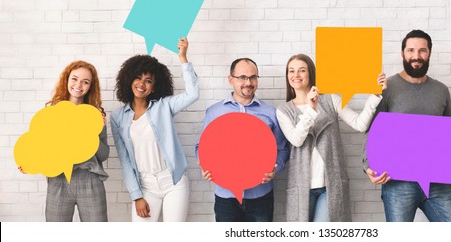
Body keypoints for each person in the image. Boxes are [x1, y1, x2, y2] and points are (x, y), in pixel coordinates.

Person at [361, 30, 451, 222]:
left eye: (422, 50)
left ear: (429, 53)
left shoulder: (441, 90)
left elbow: (449, 135)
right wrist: (368, 167)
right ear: (402, 53)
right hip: (397, 181)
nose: (416, 56)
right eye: (411, 50)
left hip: (437, 181)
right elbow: (373, 132)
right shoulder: (387, 88)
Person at [277, 53, 386, 222]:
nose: (295, 75)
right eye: (291, 71)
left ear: (310, 73)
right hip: (301, 188)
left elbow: (360, 124)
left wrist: (374, 96)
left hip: (331, 186)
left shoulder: (330, 99)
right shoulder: (283, 110)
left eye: (301, 70)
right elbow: (296, 139)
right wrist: (311, 109)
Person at [111, 38, 199, 222]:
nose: (142, 83)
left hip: (173, 182)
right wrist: (136, 196)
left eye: (148, 80)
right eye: (138, 77)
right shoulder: (118, 117)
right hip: (145, 186)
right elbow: (125, 160)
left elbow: (193, 94)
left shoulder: (164, 106)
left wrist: (183, 58)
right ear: (129, 79)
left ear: (154, 88)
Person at [198, 58, 289, 222]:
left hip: (261, 197)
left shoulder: (270, 112)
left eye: (253, 77)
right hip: (225, 197)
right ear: (230, 79)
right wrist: (205, 164)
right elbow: (202, 147)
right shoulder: (214, 112)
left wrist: (275, 168)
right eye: (242, 77)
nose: (248, 82)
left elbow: (282, 149)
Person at [32, 60, 109, 222]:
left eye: (85, 81)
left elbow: (103, 155)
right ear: (66, 79)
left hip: (90, 181)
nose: (78, 85)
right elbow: (40, 149)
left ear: (90, 86)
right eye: (74, 79)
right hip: (58, 181)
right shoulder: (50, 113)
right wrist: (28, 163)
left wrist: (93, 131)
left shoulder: (96, 115)